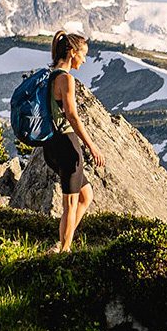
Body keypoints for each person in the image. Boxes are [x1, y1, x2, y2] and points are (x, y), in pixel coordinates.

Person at [46, 30, 105, 252]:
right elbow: (72, 116)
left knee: (85, 195)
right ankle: (63, 251)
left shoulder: (49, 76)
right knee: (69, 204)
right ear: (72, 53)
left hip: (51, 144)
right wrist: (92, 146)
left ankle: (63, 243)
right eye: (83, 54)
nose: (85, 59)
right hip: (67, 145)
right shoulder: (66, 79)